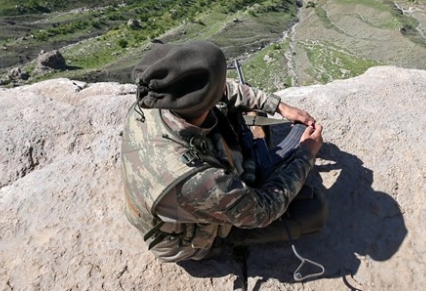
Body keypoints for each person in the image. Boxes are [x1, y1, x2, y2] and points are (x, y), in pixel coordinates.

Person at [121, 40, 328, 262]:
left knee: (246, 111)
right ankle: (223, 243)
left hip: (193, 186)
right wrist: (306, 153)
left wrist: (278, 106)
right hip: (188, 240)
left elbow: (224, 90)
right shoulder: (195, 180)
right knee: (312, 210)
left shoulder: (156, 100)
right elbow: (265, 208)